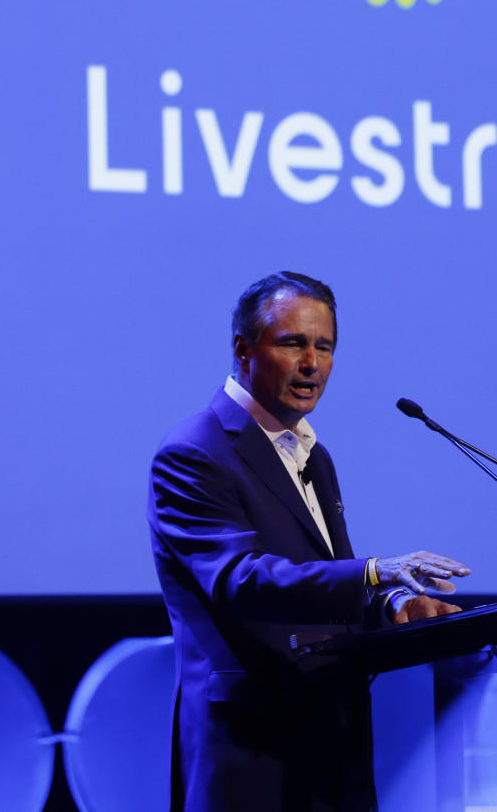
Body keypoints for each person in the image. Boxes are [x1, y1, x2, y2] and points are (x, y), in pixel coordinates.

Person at [148, 271, 470, 812]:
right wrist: (373, 572)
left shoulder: (313, 455)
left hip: (329, 743)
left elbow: (320, 578)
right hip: (251, 750)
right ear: (244, 350)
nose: (312, 363)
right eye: (293, 343)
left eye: (324, 347)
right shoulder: (195, 451)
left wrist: (392, 603)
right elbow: (239, 579)